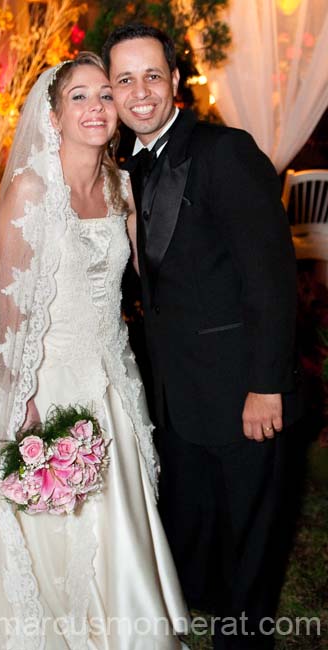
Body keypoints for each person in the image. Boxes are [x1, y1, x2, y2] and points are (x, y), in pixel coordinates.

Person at [0, 53, 190, 649]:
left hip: (113, 372)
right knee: (57, 523)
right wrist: (22, 394)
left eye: (105, 95)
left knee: (121, 512)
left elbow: (147, 275)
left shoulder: (121, 184)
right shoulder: (31, 190)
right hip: (49, 377)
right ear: (53, 117)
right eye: (78, 97)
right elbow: (7, 309)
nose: (97, 108)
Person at [103, 24, 301, 650]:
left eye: (152, 76)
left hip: (243, 392)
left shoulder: (225, 152)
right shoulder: (120, 167)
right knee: (198, 531)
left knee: (250, 541)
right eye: (124, 79)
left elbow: (270, 280)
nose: (140, 92)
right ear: (109, 90)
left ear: (176, 81)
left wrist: (267, 386)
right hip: (175, 396)